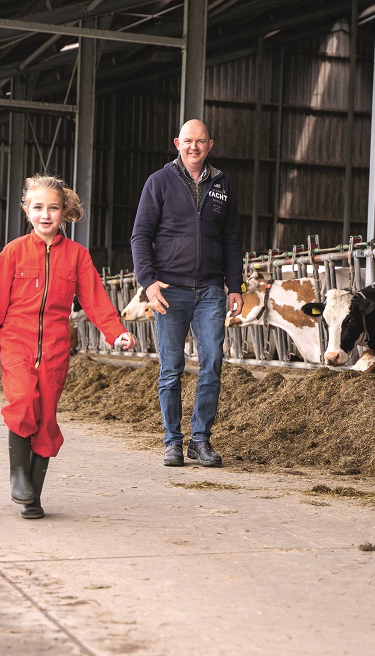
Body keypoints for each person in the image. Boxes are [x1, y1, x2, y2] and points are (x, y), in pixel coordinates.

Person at [0, 174, 136, 519]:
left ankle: (32, 496)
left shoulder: (77, 256)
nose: (45, 214)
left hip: (55, 348)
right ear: (27, 210)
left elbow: (95, 299)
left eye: (52, 208)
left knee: (46, 419)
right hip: (16, 342)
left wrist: (115, 332)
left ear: (63, 212)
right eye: (37, 208)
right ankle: (18, 476)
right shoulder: (13, 252)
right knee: (23, 403)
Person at [130, 118, 244, 468]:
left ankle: (201, 440)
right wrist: (148, 282)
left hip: (210, 290)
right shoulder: (159, 182)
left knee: (212, 363)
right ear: (177, 143)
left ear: (210, 145)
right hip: (169, 290)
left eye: (201, 141)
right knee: (172, 367)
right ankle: (172, 442)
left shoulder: (222, 185)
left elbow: (231, 240)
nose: (194, 147)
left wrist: (235, 285)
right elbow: (140, 236)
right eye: (188, 141)